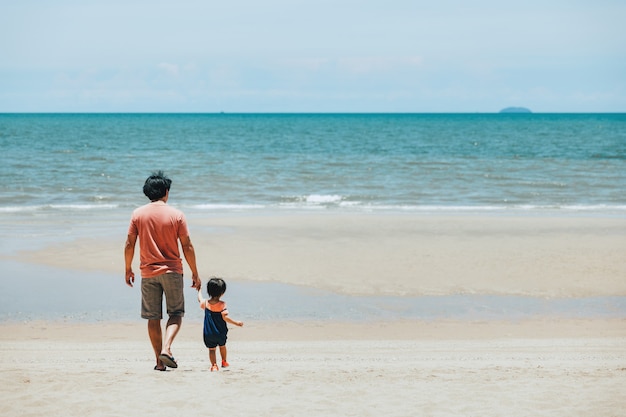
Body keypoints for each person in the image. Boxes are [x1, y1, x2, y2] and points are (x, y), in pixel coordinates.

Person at [124, 171, 202, 371]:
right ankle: (167, 348)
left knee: (153, 317)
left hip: (148, 273)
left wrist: (127, 268)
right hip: (173, 271)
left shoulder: (137, 214)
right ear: (166, 192)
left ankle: (159, 362)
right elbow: (187, 246)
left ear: (147, 192)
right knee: (175, 313)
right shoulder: (177, 215)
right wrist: (195, 272)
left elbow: (129, 244)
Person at [198, 277, 244, 371]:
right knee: (222, 346)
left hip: (208, 333)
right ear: (222, 293)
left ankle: (214, 365)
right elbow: (225, 317)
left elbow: (200, 299)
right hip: (220, 332)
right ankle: (224, 361)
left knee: (211, 350)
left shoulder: (206, 303)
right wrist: (236, 323)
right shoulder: (222, 304)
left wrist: (199, 290)